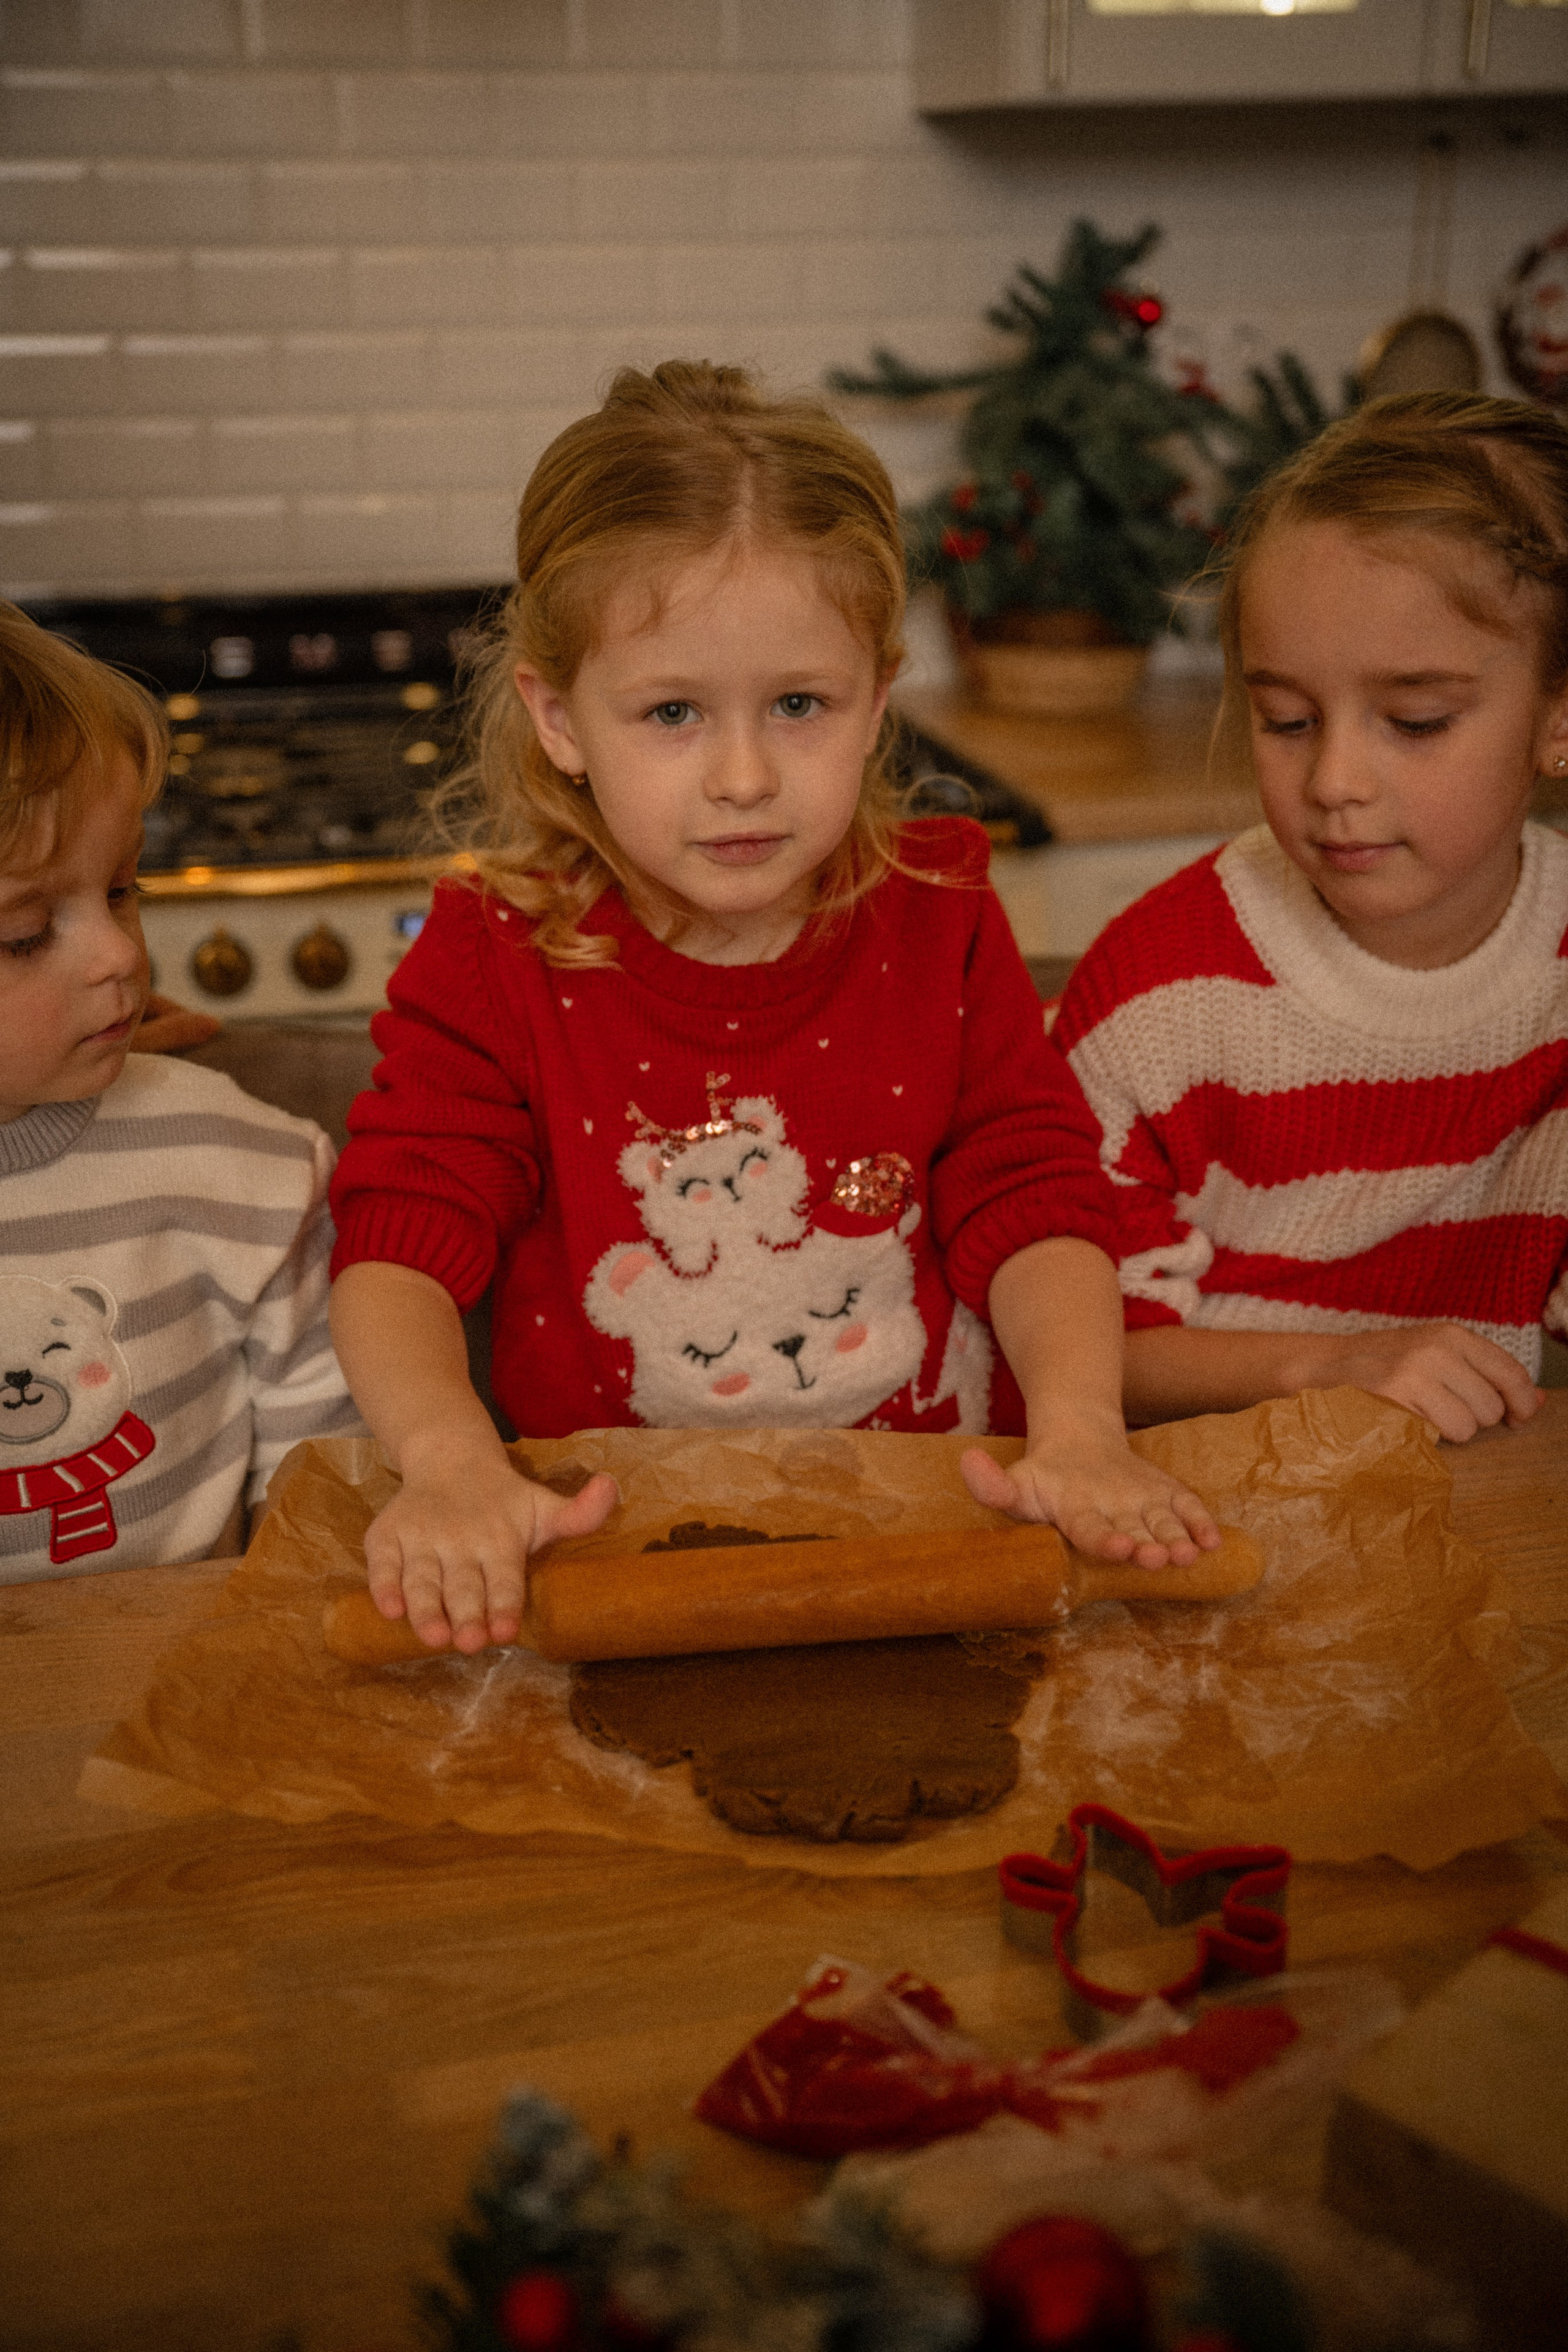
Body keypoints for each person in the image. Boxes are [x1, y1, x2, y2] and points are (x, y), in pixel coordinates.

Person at [328, 360, 1220, 1654]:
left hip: (930, 1547)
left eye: (799, 705)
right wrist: (447, 1459)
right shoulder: (496, 952)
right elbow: (401, 1238)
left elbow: (1027, 1195)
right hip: (614, 1569)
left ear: (875, 698)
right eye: (673, 713)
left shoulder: (939, 915)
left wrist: (1079, 1429)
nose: (743, 777)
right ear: (558, 716)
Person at [1053, 392, 1568, 1444]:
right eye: (1286, 718)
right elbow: (1072, 1351)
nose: (1333, 779)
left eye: (1415, 722)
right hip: (1204, 1502)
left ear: (1559, 717)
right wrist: (1331, 1367)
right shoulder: (1160, 992)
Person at [0, 602, 359, 1581]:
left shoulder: (248, 1168)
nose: (120, 956)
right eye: (24, 933)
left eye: (123, 889)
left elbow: (323, 1474)